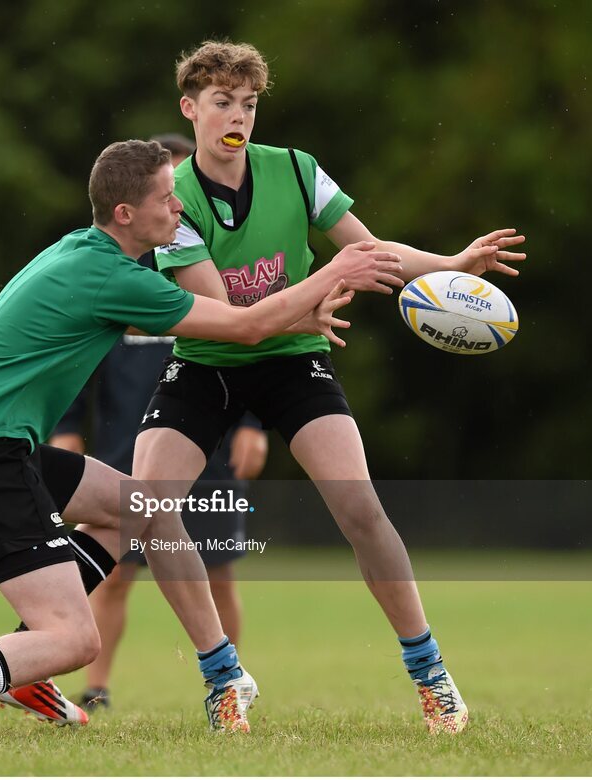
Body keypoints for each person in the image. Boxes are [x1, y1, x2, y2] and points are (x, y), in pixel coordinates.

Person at [0, 139, 387, 740]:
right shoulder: (112, 276)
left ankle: (220, 672)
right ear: (126, 214)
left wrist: (298, 316)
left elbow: (229, 320)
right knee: (74, 638)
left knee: (146, 507)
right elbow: (244, 327)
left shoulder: (88, 254)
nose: (179, 208)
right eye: (167, 199)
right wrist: (334, 271)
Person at [134, 41, 527, 735]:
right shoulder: (173, 199)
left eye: (248, 104)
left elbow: (368, 253)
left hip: (294, 358)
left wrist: (450, 263)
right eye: (222, 102)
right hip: (209, 358)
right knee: (150, 506)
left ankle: (431, 674)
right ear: (189, 108)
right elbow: (229, 318)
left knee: (360, 509)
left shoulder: (294, 169)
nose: (238, 117)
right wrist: (315, 289)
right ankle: (223, 677)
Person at [46, 134, 267, 712]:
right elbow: (75, 354)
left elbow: (247, 342)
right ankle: (94, 688)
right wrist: (66, 423)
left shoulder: (209, 261)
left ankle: (227, 689)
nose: (177, 206)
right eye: (168, 192)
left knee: (217, 572)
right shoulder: (115, 264)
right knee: (114, 571)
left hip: (209, 442)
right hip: (126, 440)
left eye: (180, 193)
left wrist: (251, 423)